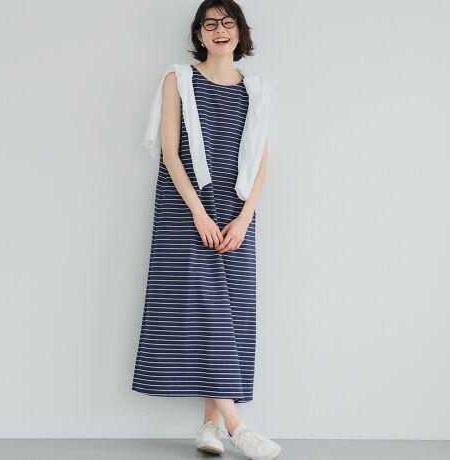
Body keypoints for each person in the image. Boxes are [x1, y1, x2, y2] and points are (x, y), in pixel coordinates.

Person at [132, 1, 281, 459]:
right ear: (199, 34)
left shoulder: (256, 89)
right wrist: (198, 212)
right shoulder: (178, 78)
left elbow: (261, 161)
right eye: (210, 23)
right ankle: (237, 426)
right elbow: (170, 153)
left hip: (237, 211)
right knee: (203, 308)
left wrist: (246, 216)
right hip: (185, 207)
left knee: (230, 312)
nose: (219, 30)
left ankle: (209, 426)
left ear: (240, 32)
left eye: (227, 22)